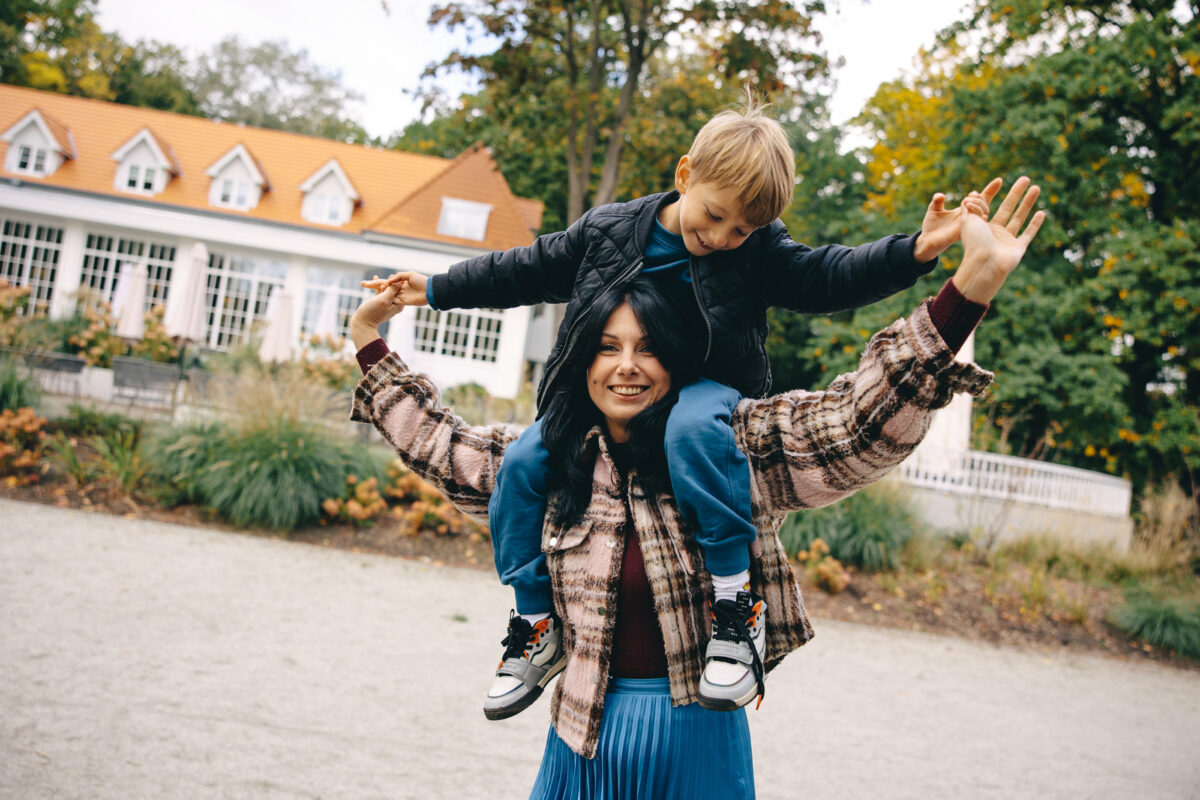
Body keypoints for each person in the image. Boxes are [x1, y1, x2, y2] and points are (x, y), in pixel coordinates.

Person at [349, 179, 1044, 797]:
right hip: (578, 740)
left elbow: (855, 424)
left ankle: (735, 618)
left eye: (648, 348)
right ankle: (533, 631)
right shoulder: (552, 465)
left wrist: (967, 289)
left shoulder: (725, 447)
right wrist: (371, 343)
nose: (626, 367)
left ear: (677, 358)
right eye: (607, 347)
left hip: (696, 748)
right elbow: (440, 444)